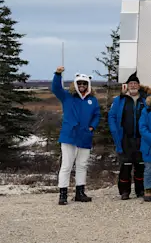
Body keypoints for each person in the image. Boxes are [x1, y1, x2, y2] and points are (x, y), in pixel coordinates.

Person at [51, 66, 100, 206]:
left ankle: (80, 192)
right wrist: (58, 74)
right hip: (69, 136)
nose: (82, 86)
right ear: (75, 84)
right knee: (66, 165)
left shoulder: (92, 100)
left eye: (85, 84)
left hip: (85, 136)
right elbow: (56, 88)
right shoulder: (67, 97)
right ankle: (63, 194)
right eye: (79, 83)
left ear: (88, 85)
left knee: (82, 165)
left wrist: (92, 127)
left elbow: (97, 115)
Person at [108, 71, 151, 200]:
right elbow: (112, 116)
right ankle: (124, 192)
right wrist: (115, 133)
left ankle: (140, 190)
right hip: (125, 138)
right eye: (130, 83)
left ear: (139, 85)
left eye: (135, 83)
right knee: (125, 166)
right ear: (127, 85)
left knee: (140, 166)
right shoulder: (120, 100)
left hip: (141, 139)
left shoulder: (145, 100)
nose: (133, 85)